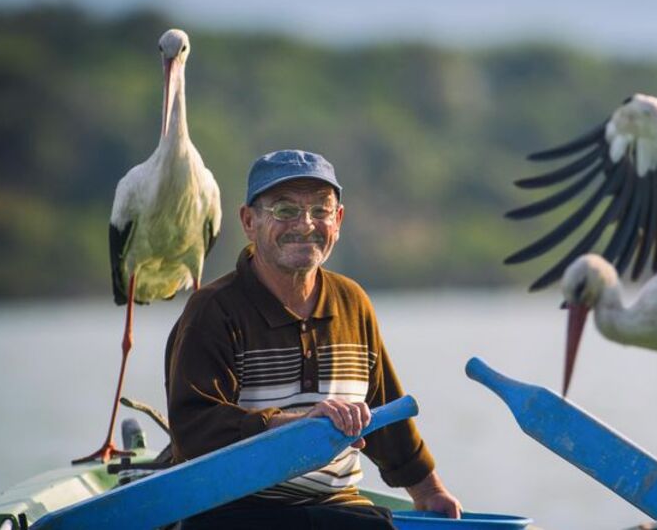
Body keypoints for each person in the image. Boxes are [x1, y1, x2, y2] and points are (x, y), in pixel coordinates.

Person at [166, 149, 462, 529]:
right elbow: (194, 429)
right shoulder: (214, 310)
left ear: (338, 221)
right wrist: (296, 424)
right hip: (235, 511)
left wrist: (429, 491)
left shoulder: (351, 301)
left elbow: (384, 412)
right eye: (285, 210)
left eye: (321, 210)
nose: (305, 224)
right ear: (249, 221)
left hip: (338, 505)